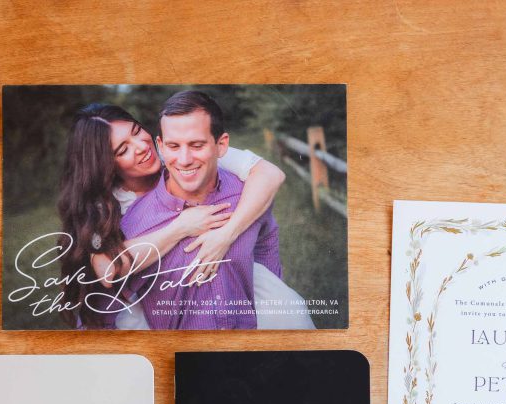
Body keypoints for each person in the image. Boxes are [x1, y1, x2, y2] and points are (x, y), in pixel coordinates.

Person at [56, 100, 314, 329]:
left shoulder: (179, 153)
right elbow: (106, 268)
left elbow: (270, 174)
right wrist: (181, 226)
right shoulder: (108, 205)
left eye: (137, 132)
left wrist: (226, 234)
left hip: (221, 281)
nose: (141, 147)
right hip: (144, 302)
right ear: (105, 164)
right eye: (122, 150)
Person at [118, 90, 297, 330]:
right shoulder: (135, 224)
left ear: (221, 145)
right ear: (160, 146)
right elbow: (104, 308)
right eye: (173, 146)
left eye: (197, 145)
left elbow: (267, 250)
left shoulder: (249, 197)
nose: (184, 159)